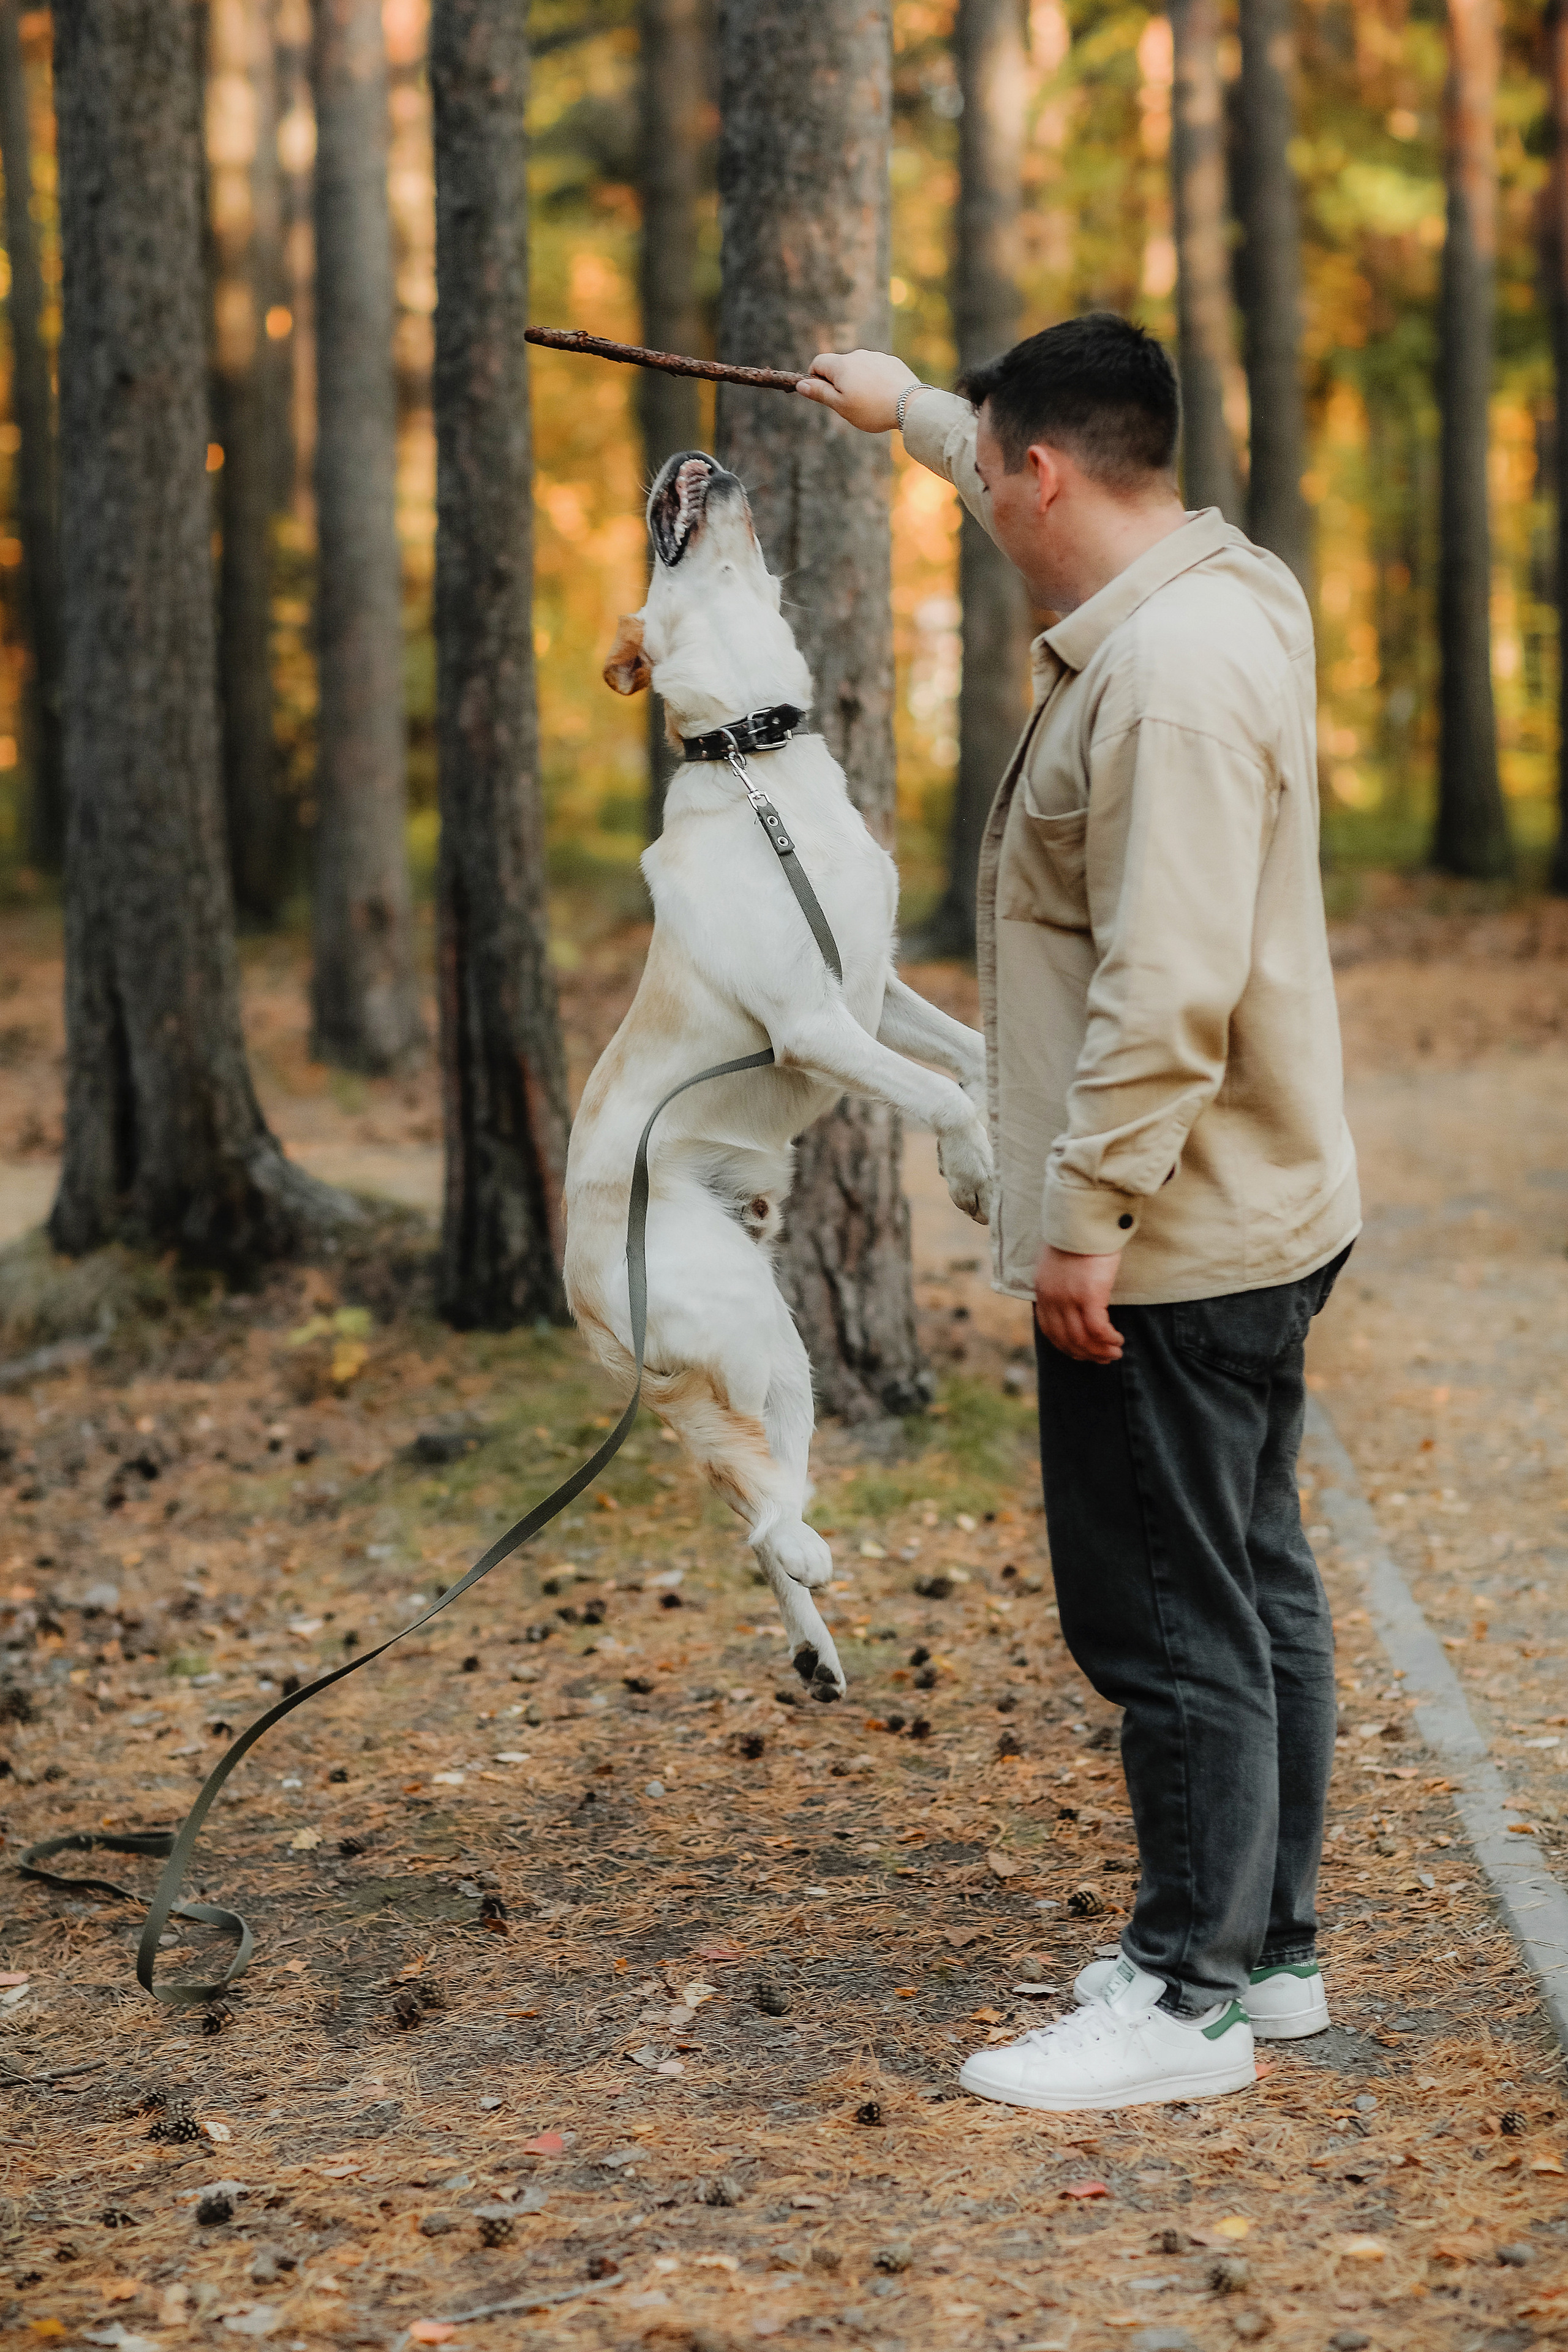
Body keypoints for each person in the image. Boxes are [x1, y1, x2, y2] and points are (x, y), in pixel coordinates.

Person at [797, 315, 1359, 2114]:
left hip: (1175, 1235)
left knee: (1171, 1617)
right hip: (1252, 1206)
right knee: (1253, 1582)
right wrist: (900, 409)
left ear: (1049, 472)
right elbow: (996, 446)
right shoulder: (1215, 580)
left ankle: (1186, 1999)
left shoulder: (1171, 678)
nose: (986, 498)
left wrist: (1085, 1219)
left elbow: (1166, 980)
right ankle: (1263, 1953)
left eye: (990, 471)